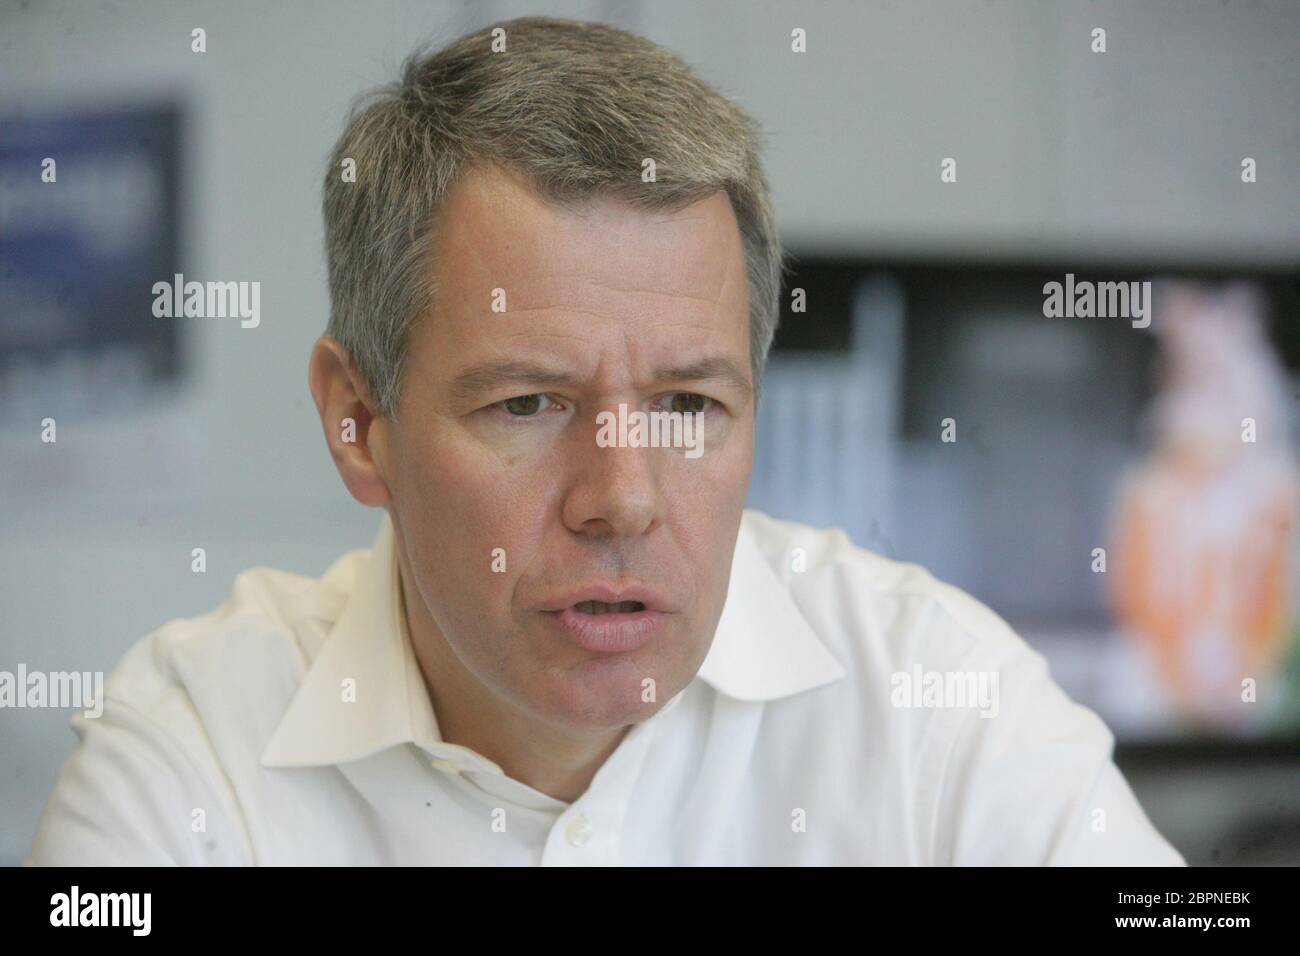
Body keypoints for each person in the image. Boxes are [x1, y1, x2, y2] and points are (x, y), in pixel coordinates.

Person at [28, 16, 1183, 865]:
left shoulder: (940, 705)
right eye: (527, 403)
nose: (623, 498)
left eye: (688, 405)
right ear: (358, 421)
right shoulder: (194, 752)